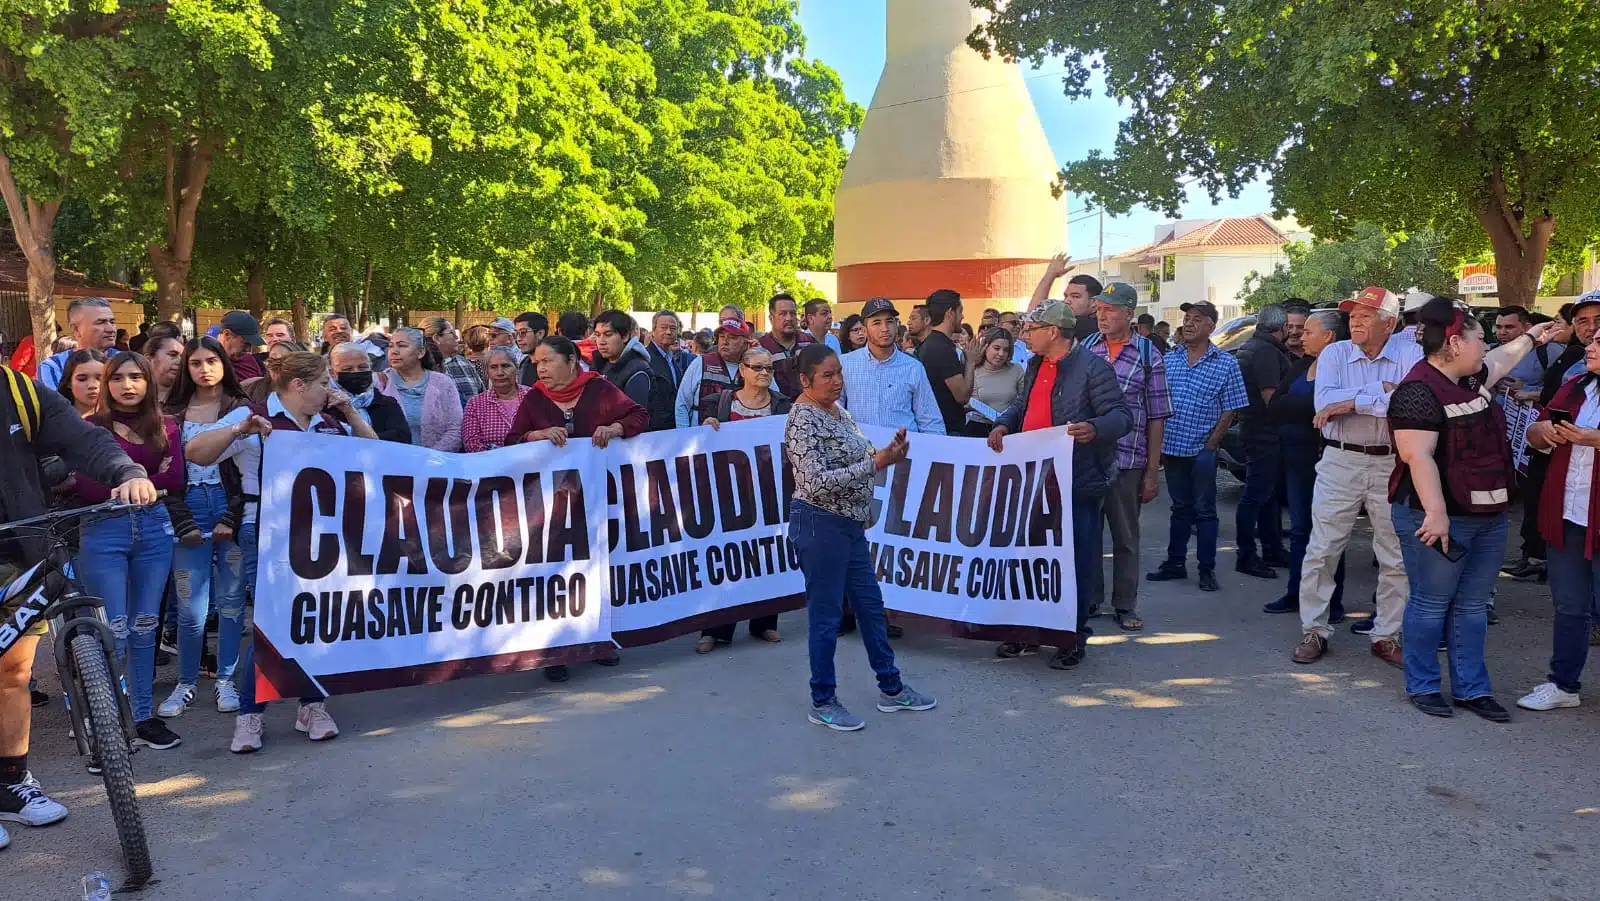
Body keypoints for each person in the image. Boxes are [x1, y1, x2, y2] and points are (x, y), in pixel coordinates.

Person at [0, 361, 157, 850]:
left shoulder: (16, 389)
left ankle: (10, 783)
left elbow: (82, 440)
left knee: (13, 673)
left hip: (17, 550)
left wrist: (126, 472)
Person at [1388, 297, 1553, 720]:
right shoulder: (1417, 391)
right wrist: (1436, 514)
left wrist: (1533, 338)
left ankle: (1472, 690)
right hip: (1438, 517)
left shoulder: (1469, 378)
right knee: (1430, 603)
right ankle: (1423, 686)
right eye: (1479, 338)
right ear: (1455, 343)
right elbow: (1417, 456)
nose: (1486, 345)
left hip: (1487, 514)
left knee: (1473, 607)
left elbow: (1499, 360)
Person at [784, 343, 936, 731]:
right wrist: (877, 462)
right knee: (825, 617)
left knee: (870, 608)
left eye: (839, 373)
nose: (837, 381)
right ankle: (823, 699)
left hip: (850, 527)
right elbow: (813, 482)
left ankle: (891, 687)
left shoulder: (838, 412)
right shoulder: (802, 419)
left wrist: (887, 452)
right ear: (805, 381)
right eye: (827, 376)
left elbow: (862, 455)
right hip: (820, 525)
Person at [226, 351, 371, 751]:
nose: (330, 389)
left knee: (315, 617)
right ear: (299, 386)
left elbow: (378, 455)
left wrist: (350, 414)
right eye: (325, 382)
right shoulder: (256, 416)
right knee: (269, 623)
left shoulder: (328, 423)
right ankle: (249, 714)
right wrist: (238, 431)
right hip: (267, 531)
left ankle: (313, 704)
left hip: (322, 534)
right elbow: (197, 452)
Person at [987, 301, 1132, 668]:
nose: (1026, 334)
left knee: (1075, 562)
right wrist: (1005, 422)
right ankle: (1027, 632)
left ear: (1052, 331)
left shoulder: (1092, 369)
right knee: (1028, 560)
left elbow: (1121, 416)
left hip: (1075, 481)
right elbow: (1023, 405)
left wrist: (1096, 429)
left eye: (1032, 328)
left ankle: (1072, 637)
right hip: (1032, 480)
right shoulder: (1035, 364)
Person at [1292, 286, 1422, 666]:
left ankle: (1387, 634)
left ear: (1390, 323)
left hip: (1391, 461)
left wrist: (1352, 401)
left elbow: (1409, 403)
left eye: (1366, 315)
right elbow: (1323, 403)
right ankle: (1314, 630)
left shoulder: (1410, 353)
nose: (1356, 321)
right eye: (1353, 315)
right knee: (1322, 550)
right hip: (1340, 460)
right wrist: (1379, 392)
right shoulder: (1335, 352)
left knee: (1394, 554)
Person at [508, 336, 647, 681]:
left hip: (597, 503)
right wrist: (535, 436)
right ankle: (556, 651)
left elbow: (639, 416)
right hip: (549, 507)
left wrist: (615, 428)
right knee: (555, 573)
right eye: (536, 362)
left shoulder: (601, 390)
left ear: (572, 361)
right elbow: (513, 440)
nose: (540, 368)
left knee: (598, 570)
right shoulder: (536, 397)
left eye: (547, 361)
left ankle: (599, 641)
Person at [75, 352, 188, 751]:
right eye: (118, 377)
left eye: (136, 376)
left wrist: (137, 485)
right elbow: (86, 487)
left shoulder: (167, 425)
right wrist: (145, 484)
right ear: (107, 385)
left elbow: (177, 478)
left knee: (145, 628)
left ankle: (142, 716)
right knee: (113, 630)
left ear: (148, 382)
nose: (127, 385)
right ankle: (106, 718)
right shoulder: (89, 428)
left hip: (155, 530)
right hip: (104, 530)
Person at [157, 337, 254, 719]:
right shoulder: (171, 412)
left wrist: (232, 516)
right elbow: (164, 471)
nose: (204, 369)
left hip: (230, 505)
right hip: (189, 507)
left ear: (223, 364)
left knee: (231, 604)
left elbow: (250, 469)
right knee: (189, 606)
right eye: (195, 363)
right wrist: (180, 519)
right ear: (186, 369)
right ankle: (185, 682)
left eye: (211, 361)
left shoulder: (241, 409)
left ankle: (226, 679)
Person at [1081, 283, 1172, 631]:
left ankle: (1124, 604)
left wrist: (1152, 471)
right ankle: (1090, 599)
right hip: (1088, 458)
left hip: (1128, 460)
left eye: (1110, 310)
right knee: (1088, 533)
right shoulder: (1088, 348)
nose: (1102, 316)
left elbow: (1157, 416)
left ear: (1129, 314)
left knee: (1125, 537)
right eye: (1100, 309)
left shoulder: (1149, 355)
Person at [1517, 334, 1600, 713]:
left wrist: (1594, 439)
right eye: (1592, 341)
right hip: (1569, 512)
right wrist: (1544, 433)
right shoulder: (1575, 385)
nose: (1590, 348)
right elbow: (1535, 433)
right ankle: (1563, 684)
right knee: (1570, 606)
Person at [695, 347, 792, 654]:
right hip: (728, 493)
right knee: (726, 557)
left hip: (769, 492)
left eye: (768, 369)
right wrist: (707, 429)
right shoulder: (721, 404)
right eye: (757, 367)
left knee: (767, 557)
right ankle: (715, 629)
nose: (764, 373)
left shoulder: (782, 407)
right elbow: (699, 444)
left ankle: (764, 623)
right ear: (742, 371)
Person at [1147, 301, 1248, 593]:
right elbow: (1157, 403)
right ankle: (1175, 563)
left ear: (1211, 326)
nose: (1189, 324)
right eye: (1187, 318)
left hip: (1203, 450)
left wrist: (1212, 443)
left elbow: (1232, 409)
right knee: (1180, 508)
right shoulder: (1169, 360)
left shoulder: (1226, 364)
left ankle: (1206, 569)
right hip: (1173, 447)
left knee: (1204, 511)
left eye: (1197, 319)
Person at [1263, 310, 1350, 619]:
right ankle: (1296, 592)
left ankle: (1331, 601)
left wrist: (1314, 407)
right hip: (1295, 459)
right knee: (1300, 529)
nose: (1300, 336)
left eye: (1309, 331)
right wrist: (1313, 407)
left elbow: (1329, 406)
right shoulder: (1301, 365)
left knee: (1329, 531)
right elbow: (1275, 406)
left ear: (1329, 336)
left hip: (1328, 457)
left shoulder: (1344, 369)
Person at [1232, 303, 1292, 578]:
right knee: (1256, 495)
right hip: (1264, 431)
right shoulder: (1267, 352)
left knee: (1267, 496)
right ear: (1283, 327)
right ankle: (1246, 555)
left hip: (1254, 428)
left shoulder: (1251, 346)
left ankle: (1272, 548)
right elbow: (1271, 396)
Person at [839, 298, 945, 436]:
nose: (885, 329)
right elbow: (835, 411)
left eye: (890, 321)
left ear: (896, 325)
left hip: (906, 451)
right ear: (865, 330)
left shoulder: (913, 367)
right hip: (862, 452)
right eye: (876, 323)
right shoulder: (845, 364)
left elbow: (930, 421)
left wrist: (934, 452)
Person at [374, 327, 463, 452]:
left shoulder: (443, 383)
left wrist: (430, 459)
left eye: (402, 346)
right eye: (391, 346)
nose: (394, 351)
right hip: (391, 465)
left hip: (436, 465)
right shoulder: (378, 383)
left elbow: (455, 429)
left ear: (420, 352)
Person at [592, 310, 673, 431]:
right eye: (598, 335)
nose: (601, 341)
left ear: (625, 336)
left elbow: (638, 417)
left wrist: (616, 428)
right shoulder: (600, 364)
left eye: (608, 334)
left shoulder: (638, 371)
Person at [916, 289, 977, 436]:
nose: (962, 316)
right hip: (947, 432)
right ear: (950, 313)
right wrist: (971, 362)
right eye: (960, 311)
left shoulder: (930, 344)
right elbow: (962, 396)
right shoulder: (942, 348)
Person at [674, 319, 751, 428]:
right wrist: (684, 436)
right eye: (722, 337)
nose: (725, 341)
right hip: (702, 440)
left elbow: (774, 400)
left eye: (732, 337)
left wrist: (758, 355)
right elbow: (682, 405)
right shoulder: (701, 363)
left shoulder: (756, 366)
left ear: (746, 342)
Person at [329, 343, 410, 443]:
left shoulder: (387, 403)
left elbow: (403, 439)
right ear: (332, 373)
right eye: (347, 369)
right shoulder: (326, 406)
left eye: (363, 367)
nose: (356, 372)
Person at [37, 297, 118, 390]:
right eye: (100, 323)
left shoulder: (127, 362)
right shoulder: (54, 366)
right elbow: (53, 403)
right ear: (76, 329)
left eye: (112, 322)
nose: (111, 329)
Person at [461, 347, 530, 452]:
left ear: (516, 368)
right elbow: (472, 443)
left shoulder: (532, 396)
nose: (500, 372)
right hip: (490, 465)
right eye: (493, 367)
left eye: (505, 366)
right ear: (487, 372)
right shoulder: (475, 404)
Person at [1028, 252, 1103, 343]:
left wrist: (1050, 275)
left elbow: (1034, 315)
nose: (1067, 301)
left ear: (1094, 303)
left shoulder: (1087, 324)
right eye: (1066, 296)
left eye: (1075, 296)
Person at [966, 328, 1026, 435]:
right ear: (985, 346)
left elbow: (1025, 400)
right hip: (977, 428)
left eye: (1006, 350)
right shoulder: (973, 370)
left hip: (1007, 429)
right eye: (996, 348)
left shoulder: (1016, 370)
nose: (1001, 354)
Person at [758, 293, 815, 399]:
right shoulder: (761, 346)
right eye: (783, 314)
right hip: (776, 409)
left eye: (793, 313)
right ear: (771, 318)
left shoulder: (810, 342)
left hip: (808, 405)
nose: (789, 318)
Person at [422, 317, 485, 408]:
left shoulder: (465, 364)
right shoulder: (418, 367)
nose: (457, 338)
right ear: (436, 338)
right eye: (451, 333)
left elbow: (482, 398)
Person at [646, 311, 694, 389]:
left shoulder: (671, 358)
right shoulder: (646, 358)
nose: (668, 332)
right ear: (653, 331)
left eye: (673, 328)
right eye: (663, 327)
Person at [56, 349, 108, 418]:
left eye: (100, 379)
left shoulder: (119, 421)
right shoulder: (55, 420)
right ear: (69, 382)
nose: (92, 385)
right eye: (82, 379)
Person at [217, 311, 265, 381]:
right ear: (227, 335)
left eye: (251, 345)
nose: (248, 351)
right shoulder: (209, 364)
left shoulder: (249, 361)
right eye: (245, 345)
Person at [511, 311, 547, 383]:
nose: (518, 339)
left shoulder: (553, 365)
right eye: (515, 334)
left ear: (540, 334)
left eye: (523, 332)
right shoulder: (524, 364)